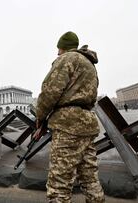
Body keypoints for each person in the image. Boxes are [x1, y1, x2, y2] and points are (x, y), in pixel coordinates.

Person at [36, 31, 105, 203]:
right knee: (90, 178)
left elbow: (50, 92)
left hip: (67, 125)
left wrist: (40, 119)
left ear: (62, 47)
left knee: (59, 183)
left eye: (58, 49)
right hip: (87, 123)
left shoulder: (67, 59)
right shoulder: (90, 65)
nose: (57, 53)